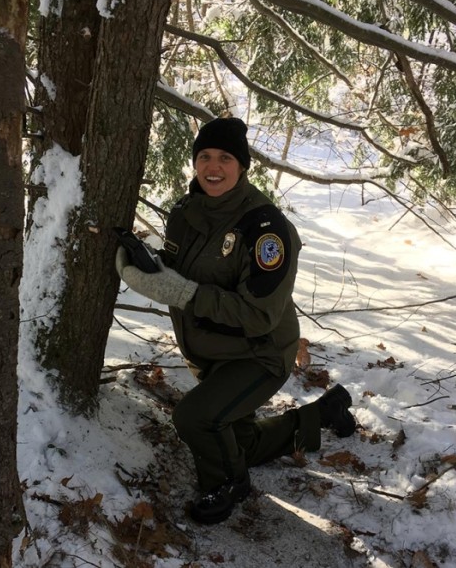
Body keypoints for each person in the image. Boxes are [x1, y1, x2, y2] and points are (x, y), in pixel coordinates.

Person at [116, 117, 356, 525]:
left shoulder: (266, 230)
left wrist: (180, 292)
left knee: (196, 418)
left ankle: (229, 484)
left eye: (225, 158)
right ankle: (322, 415)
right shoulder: (185, 211)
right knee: (236, 441)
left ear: (242, 166)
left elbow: (258, 315)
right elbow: (177, 269)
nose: (213, 166)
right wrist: (145, 265)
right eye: (205, 156)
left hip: (258, 354)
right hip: (213, 353)